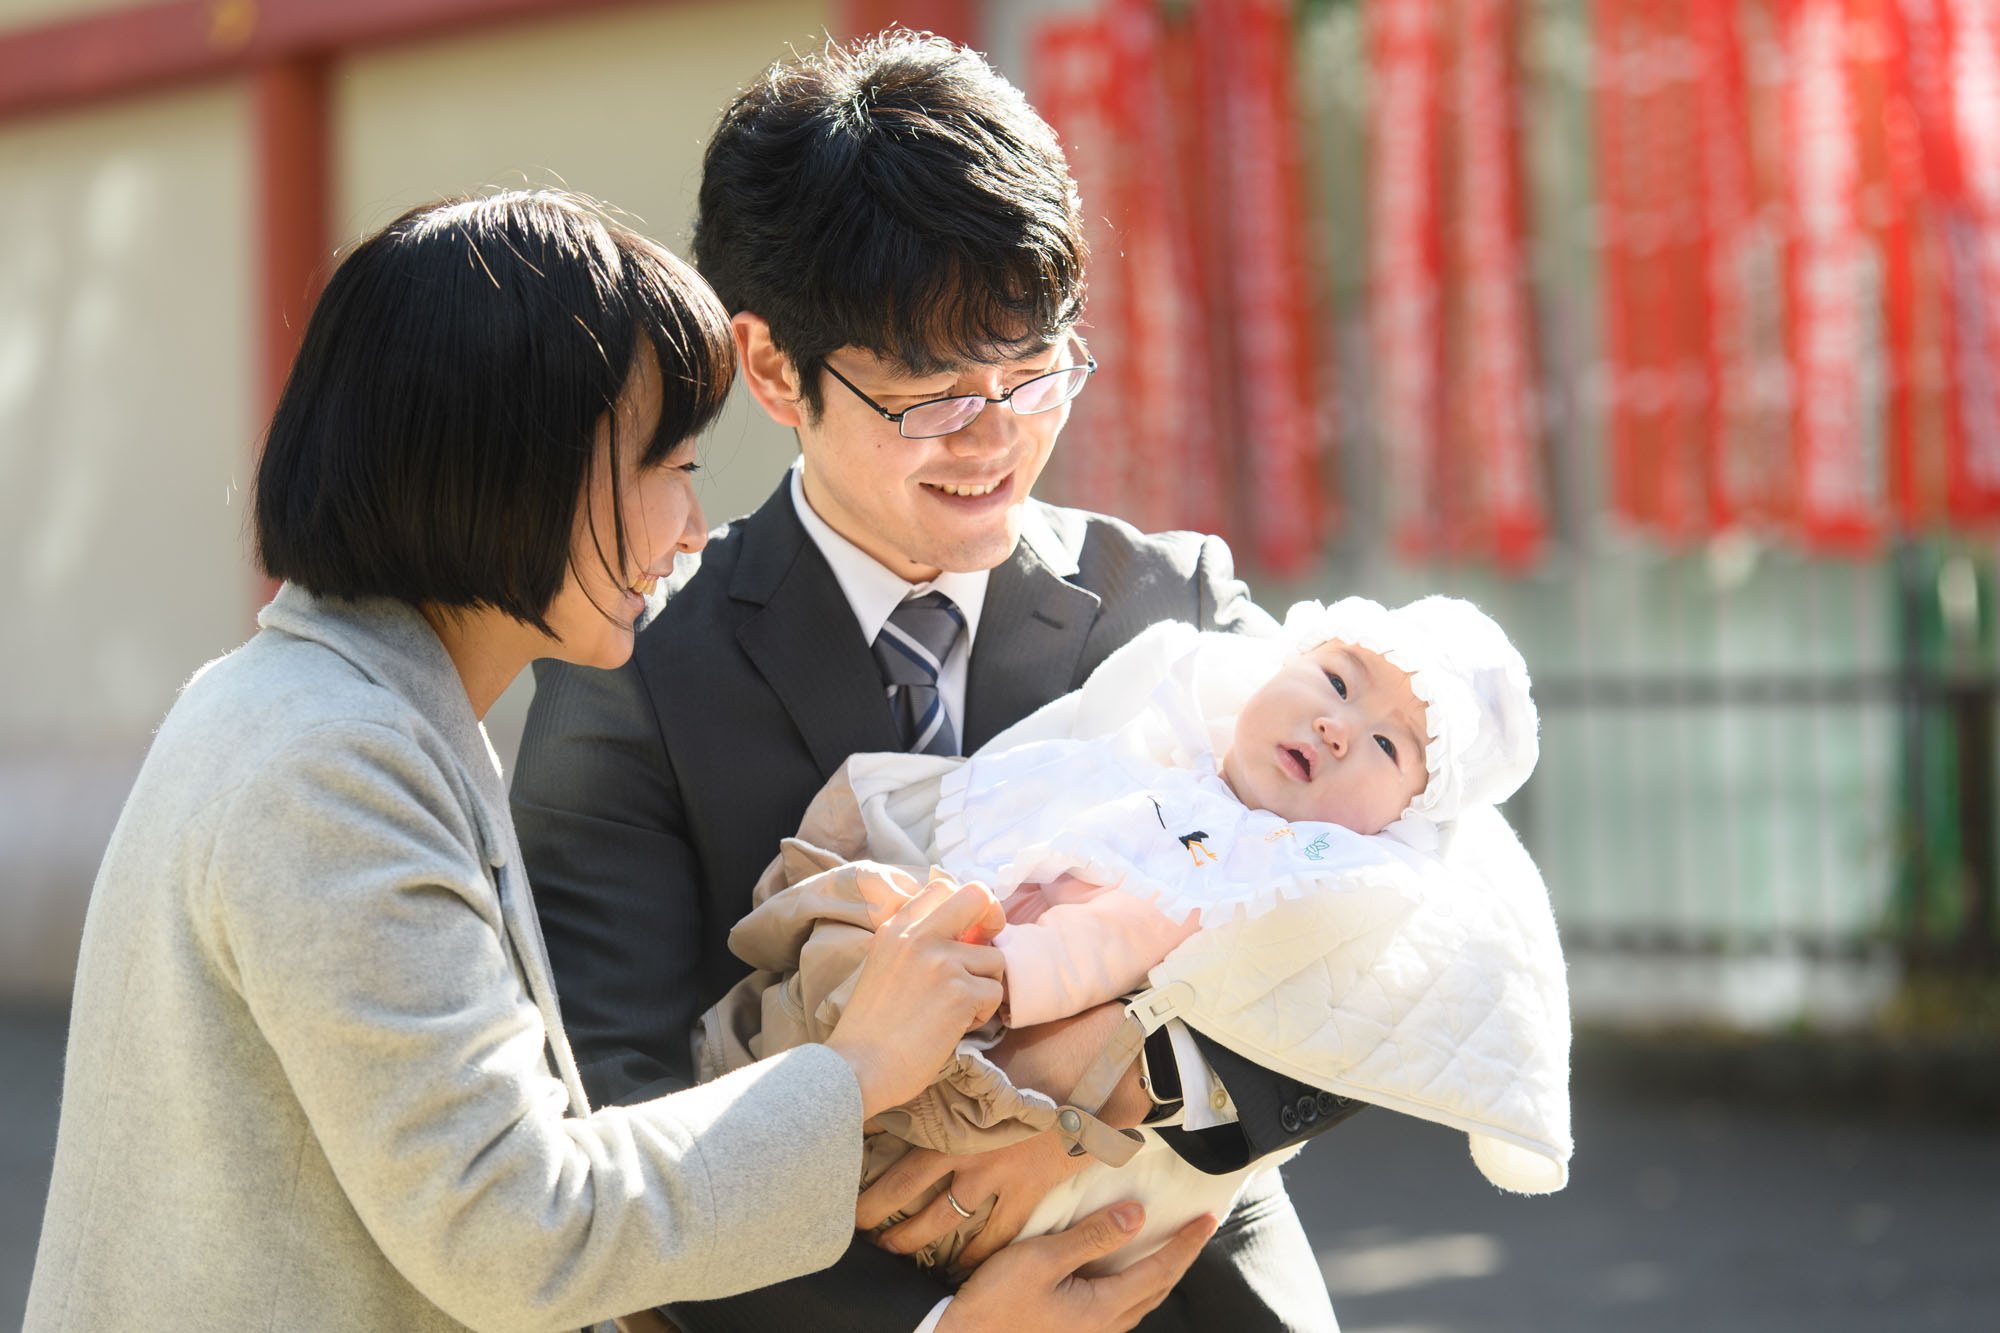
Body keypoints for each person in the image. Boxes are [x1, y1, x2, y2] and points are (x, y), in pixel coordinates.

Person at [21, 189, 1101, 1333]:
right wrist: (857, 1067)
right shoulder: (331, 765)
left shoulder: (315, 709)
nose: (691, 527)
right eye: (667, 466)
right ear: (517, 474)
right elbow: (514, 1230)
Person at [512, 31, 1355, 1333]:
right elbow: (615, 1110)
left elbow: (1384, 931)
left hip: (1191, 1286)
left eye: (1035, 373)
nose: (1000, 436)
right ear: (778, 369)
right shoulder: (634, 671)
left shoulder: (1167, 602)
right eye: (936, 397)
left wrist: (1130, 1095)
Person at [702, 594, 1572, 1278]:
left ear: (1399, 823)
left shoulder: (1264, 863)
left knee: (860, 1079)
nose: (1339, 726)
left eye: (1386, 744)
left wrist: (1015, 985)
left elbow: (1129, 942)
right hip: (943, 936)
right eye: (1336, 682)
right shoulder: (1174, 730)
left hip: (993, 1002)